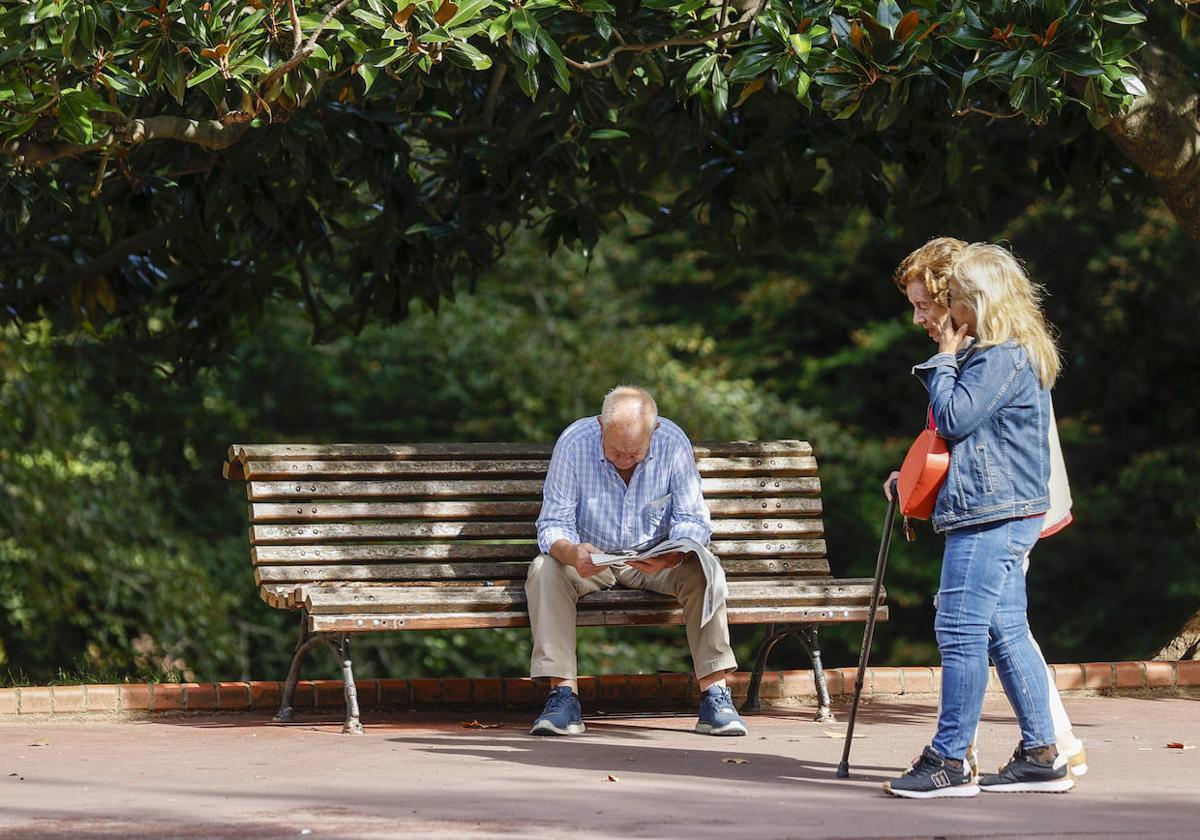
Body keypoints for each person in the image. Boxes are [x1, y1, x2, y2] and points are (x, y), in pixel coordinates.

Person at [885, 238, 1087, 781]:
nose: (940, 314)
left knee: (958, 629)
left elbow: (954, 419)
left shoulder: (998, 355)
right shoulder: (1010, 350)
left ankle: (948, 759)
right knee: (1005, 627)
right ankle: (1043, 753)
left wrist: (944, 360)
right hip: (1002, 506)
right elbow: (975, 439)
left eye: (947, 301)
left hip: (990, 514)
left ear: (978, 301)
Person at [525, 386, 746, 737]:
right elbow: (553, 524)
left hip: (657, 559)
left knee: (705, 567)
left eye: (635, 453)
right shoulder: (573, 443)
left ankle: (715, 695)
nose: (624, 460)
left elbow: (694, 520)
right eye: (615, 451)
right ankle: (563, 697)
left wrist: (673, 553)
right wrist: (572, 553)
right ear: (600, 426)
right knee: (544, 569)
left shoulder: (672, 442)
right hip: (593, 561)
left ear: (654, 432)